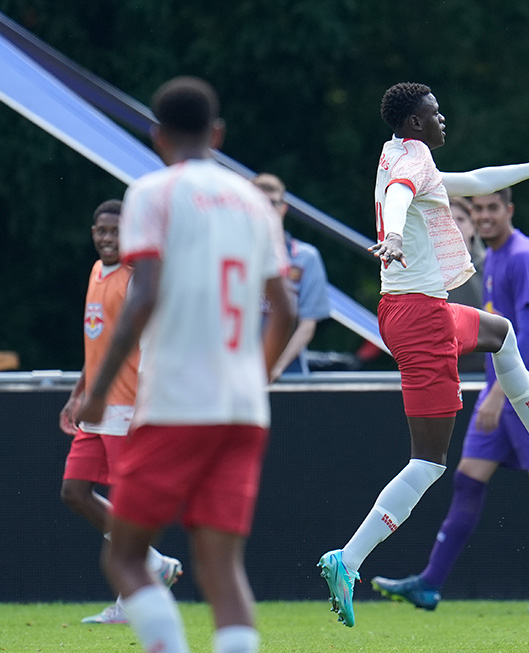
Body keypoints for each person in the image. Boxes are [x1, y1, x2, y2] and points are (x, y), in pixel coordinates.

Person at [316, 82, 529, 628]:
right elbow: (398, 195)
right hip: (419, 318)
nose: (442, 119)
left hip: (415, 310)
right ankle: (347, 560)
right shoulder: (410, 160)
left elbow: (473, 181)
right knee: (426, 463)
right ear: (416, 124)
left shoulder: (404, 153)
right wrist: (394, 235)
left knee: (500, 332)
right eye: (435, 114)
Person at [75, 76, 295, 653]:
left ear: (156, 135)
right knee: (222, 569)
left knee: (124, 555)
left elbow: (143, 294)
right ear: (217, 133)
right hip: (243, 408)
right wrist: (258, 374)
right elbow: (287, 311)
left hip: (176, 399)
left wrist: (96, 390)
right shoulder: (253, 199)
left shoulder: (151, 193)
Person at [371, 188, 529, 613]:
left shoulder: (523, 256)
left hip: (523, 391)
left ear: (510, 210)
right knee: (467, 476)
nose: (487, 216)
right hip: (498, 391)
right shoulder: (491, 258)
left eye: (495, 208)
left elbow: (528, 333)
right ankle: (430, 584)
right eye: (480, 209)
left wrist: (493, 395)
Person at [59, 199, 182, 625]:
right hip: (95, 404)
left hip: (126, 405)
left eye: (115, 232)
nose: (107, 238)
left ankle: (133, 599)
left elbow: (145, 342)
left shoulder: (135, 278)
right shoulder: (96, 272)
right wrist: (79, 391)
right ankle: (154, 562)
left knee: (127, 503)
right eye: (101, 231)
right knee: (74, 492)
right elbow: (100, 345)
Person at [251, 173, 331, 378]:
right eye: (259, 203)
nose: (267, 210)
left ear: (283, 208)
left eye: (272, 203)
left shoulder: (305, 257)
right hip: (239, 374)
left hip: (286, 374)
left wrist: (273, 368)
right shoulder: (231, 256)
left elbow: (307, 324)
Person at [447, 197, 486, 374]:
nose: (454, 225)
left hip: (488, 365)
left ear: (473, 227)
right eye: (447, 219)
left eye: (461, 219)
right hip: (443, 367)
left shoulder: (494, 266)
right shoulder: (421, 274)